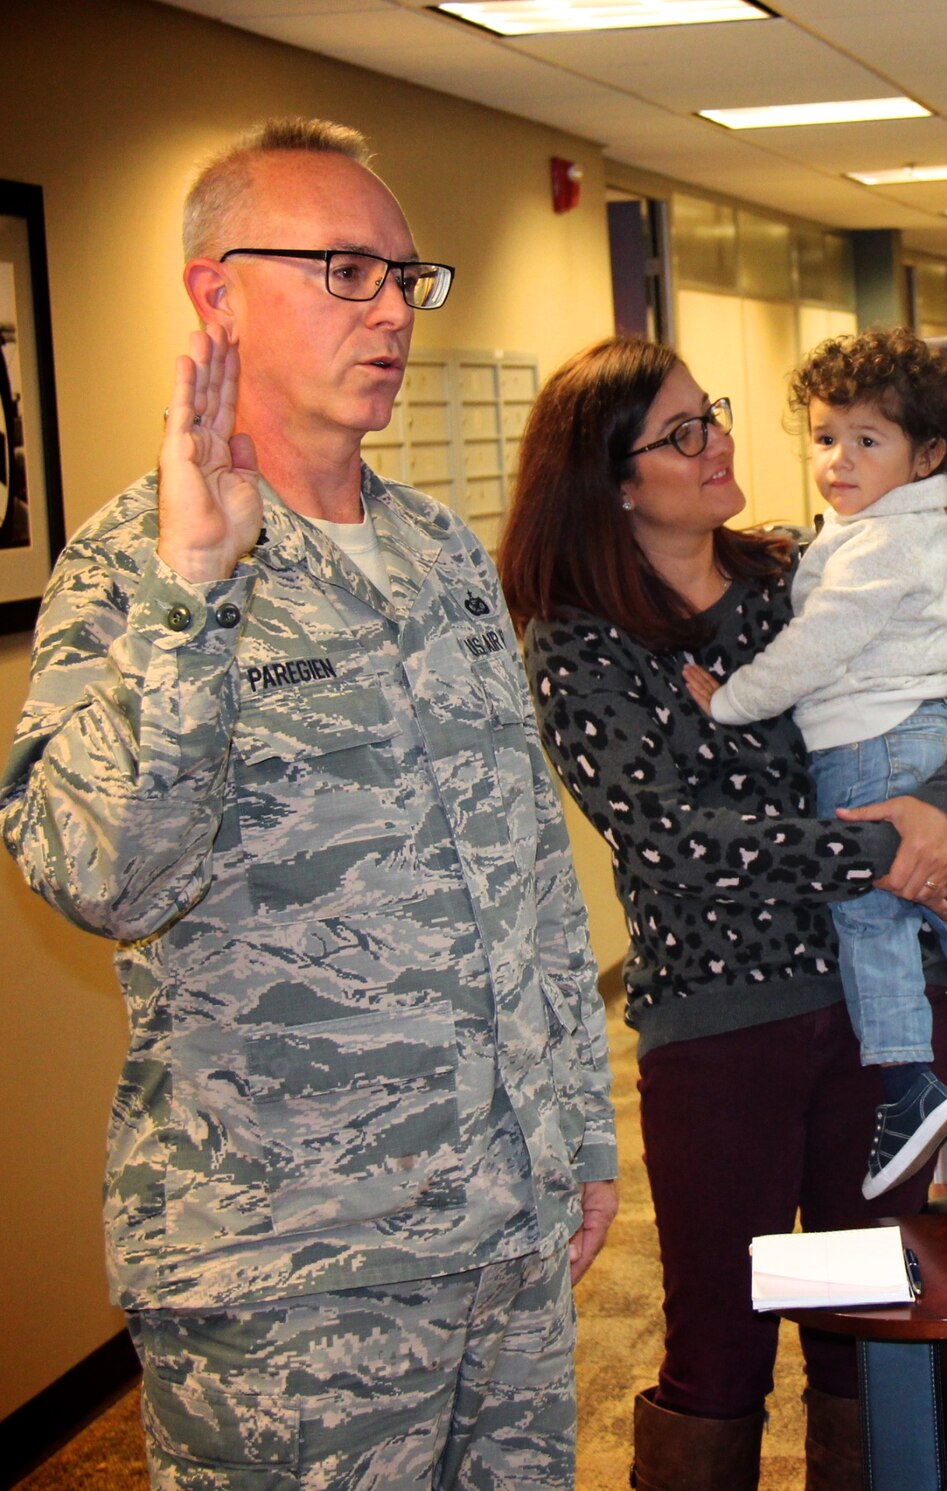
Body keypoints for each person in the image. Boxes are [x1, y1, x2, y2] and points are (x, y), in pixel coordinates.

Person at [0, 118, 616, 1488]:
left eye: (406, 275)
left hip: (505, 1231)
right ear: (213, 292)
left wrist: (578, 1125)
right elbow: (99, 873)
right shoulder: (130, 569)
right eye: (346, 270)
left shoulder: (437, 548)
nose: (393, 309)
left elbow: (523, 862)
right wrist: (196, 593)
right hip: (295, 1268)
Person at [499, 334, 947, 1491]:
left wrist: (945, 809)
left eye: (709, 413)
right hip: (725, 1031)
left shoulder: (802, 570)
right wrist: (883, 849)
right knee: (721, 1337)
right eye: (681, 433)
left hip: (881, 1013)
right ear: (616, 481)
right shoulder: (582, 643)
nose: (717, 440)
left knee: (860, 1315)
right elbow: (674, 841)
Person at [683, 328, 947, 1200]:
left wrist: (728, 699)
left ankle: (918, 1076)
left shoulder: (881, 546)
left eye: (867, 441)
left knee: (874, 916)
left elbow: (816, 648)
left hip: (870, 743)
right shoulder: (885, 527)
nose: (838, 460)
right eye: (826, 437)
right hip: (899, 734)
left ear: (928, 454)